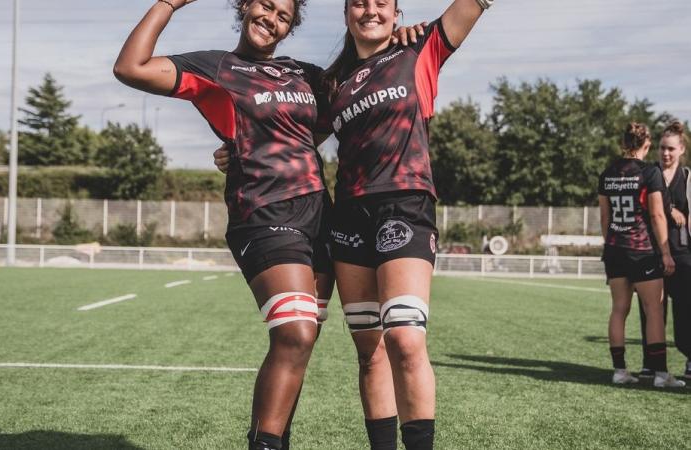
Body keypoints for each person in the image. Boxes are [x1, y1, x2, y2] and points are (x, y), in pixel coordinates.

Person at [113, 1, 335, 448]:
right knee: (295, 332)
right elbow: (130, 67)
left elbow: (331, 116)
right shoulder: (217, 67)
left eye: (283, 17)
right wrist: (168, 4)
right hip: (263, 214)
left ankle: (273, 439)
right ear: (246, 6)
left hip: (321, 220)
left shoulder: (306, 74)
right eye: (265, 6)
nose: (271, 18)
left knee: (300, 345)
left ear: (289, 30)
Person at [319, 1, 493, 448]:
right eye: (359, 2)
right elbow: (287, 132)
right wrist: (232, 152)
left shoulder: (419, 49)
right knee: (369, 352)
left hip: (405, 206)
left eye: (381, 3)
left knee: (404, 338)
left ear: (397, 14)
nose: (370, 10)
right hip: (349, 217)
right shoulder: (333, 81)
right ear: (346, 14)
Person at [598, 122, 684, 388]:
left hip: (614, 250)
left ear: (623, 142)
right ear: (646, 144)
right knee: (654, 310)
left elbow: (605, 217)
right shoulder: (649, 172)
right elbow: (658, 214)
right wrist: (666, 252)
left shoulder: (607, 173)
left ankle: (620, 371)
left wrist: (612, 243)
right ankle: (660, 375)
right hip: (643, 252)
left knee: (618, 310)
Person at [637, 121, 691, 381]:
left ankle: (690, 357)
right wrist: (670, 209)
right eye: (661, 148)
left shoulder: (688, 177)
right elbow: (647, 208)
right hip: (650, 252)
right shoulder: (649, 173)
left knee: (686, 311)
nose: (665, 153)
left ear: (681, 149)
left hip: (682, 254)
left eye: (671, 148)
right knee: (650, 309)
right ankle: (652, 363)